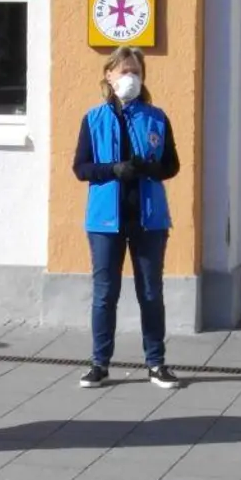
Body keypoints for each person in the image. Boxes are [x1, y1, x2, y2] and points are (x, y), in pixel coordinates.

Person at [71, 46, 181, 389]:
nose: (130, 77)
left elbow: (171, 165)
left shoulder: (156, 117)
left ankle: (156, 363)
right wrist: (114, 170)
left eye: (135, 71)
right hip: (106, 220)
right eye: (123, 71)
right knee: (105, 293)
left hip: (148, 219)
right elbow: (81, 168)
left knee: (150, 292)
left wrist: (150, 167)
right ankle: (99, 364)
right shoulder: (94, 119)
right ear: (109, 75)